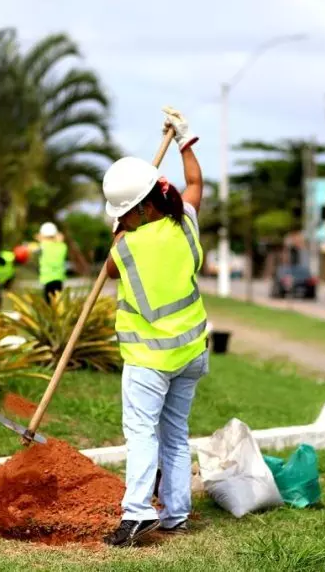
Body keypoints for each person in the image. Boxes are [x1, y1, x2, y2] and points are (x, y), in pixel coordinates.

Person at [101, 107, 208, 548]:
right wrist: (184, 142)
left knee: (142, 434)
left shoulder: (126, 248)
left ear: (138, 208)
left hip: (149, 359)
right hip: (191, 352)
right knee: (175, 434)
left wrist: (118, 231)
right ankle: (176, 513)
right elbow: (196, 186)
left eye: (122, 212)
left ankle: (137, 513)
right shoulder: (184, 221)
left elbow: (108, 270)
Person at [37, 221, 68, 302]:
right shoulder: (62, 246)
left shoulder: (43, 246)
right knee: (58, 303)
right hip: (59, 279)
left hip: (47, 280)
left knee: (49, 304)